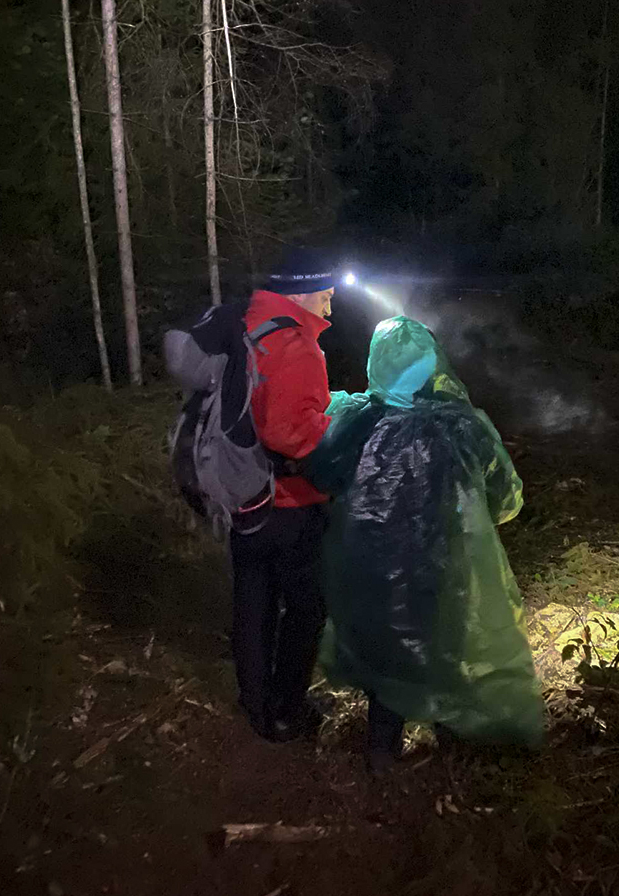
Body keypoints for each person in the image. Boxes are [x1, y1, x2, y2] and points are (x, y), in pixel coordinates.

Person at [305, 315, 544, 772]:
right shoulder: (462, 426)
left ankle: (383, 754)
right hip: (446, 563)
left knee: (388, 652)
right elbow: (504, 495)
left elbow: (322, 473)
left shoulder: (359, 421)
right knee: (446, 644)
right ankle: (448, 747)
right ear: (433, 365)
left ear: (377, 364)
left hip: (375, 565)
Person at [230, 247, 337, 743]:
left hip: (240, 492)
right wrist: (334, 428)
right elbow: (289, 434)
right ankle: (286, 708)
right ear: (301, 294)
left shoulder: (247, 325)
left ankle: (255, 703)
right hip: (288, 501)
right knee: (306, 606)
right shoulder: (295, 344)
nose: (329, 307)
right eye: (325, 296)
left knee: (253, 600)